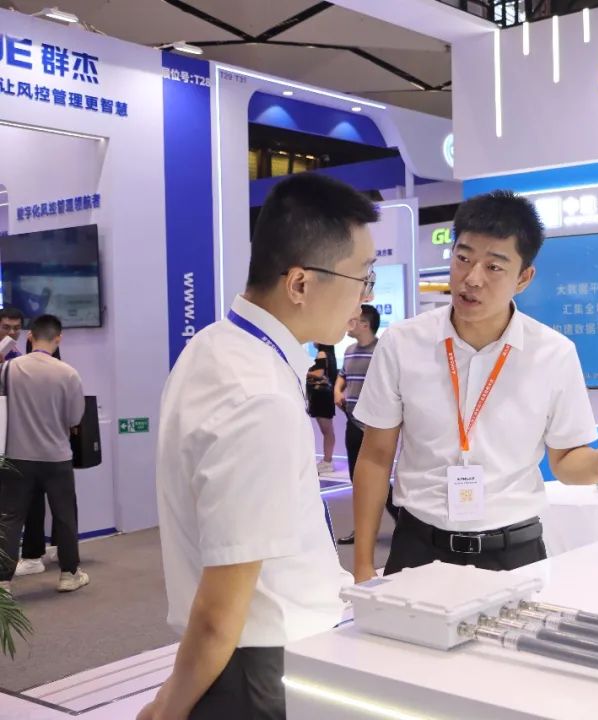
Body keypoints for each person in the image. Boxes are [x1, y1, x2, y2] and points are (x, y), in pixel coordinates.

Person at [139, 173, 378, 720]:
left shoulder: (217, 347)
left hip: (254, 659)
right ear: (300, 284)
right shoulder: (258, 397)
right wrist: (167, 709)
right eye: (361, 277)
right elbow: (219, 612)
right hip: (260, 672)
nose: (365, 297)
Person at [351, 191, 598, 581]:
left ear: (523, 278)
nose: (472, 278)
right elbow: (376, 455)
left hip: (514, 554)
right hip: (418, 547)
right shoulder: (402, 343)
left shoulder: (553, 354)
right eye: (463, 258)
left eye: (494, 267)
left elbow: (566, 462)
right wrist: (363, 564)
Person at [0, 314, 87, 594]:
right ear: (58, 338)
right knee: (64, 516)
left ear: (30, 336)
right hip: (56, 457)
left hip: (17, 456)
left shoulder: (9, 368)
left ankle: (3, 582)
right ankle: (69, 574)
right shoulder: (68, 373)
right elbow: (74, 418)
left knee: (10, 519)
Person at [0, 307, 61, 578]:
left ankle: (33, 554)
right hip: (4, 437)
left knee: (31, 497)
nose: (12, 332)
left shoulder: (23, 357)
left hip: (22, 439)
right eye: (6, 327)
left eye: (16, 328)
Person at [333, 303, 387, 546]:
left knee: (376, 479)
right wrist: (338, 390)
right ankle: (362, 531)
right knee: (357, 479)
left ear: (365, 324)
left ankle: (401, 522)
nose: (348, 324)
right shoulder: (349, 351)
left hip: (374, 426)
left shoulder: (382, 351)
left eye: (353, 320)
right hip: (352, 422)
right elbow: (342, 376)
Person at [307, 342, 338, 475]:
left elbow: (319, 373)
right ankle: (327, 461)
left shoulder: (322, 353)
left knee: (327, 430)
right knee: (328, 430)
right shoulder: (330, 354)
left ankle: (327, 461)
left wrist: (305, 372)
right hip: (325, 396)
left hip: (321, 396)